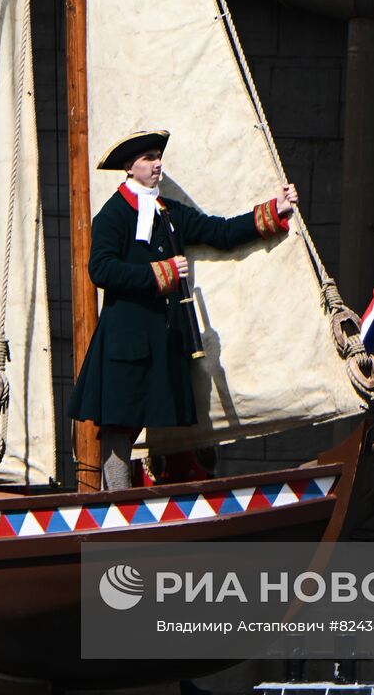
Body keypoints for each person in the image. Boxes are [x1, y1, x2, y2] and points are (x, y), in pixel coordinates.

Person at [67, 130, 298, 490]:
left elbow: (219, 231)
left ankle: (163, 498)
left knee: (166, 419)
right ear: (130, 167)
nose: (157, 163)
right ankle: (115, 502)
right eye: (148, 158)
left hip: (161, 340)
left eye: (158, 156)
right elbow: (101, 269)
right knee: (119, 424)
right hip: (125, 341)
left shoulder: (167, 212)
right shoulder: (112, 215)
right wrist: (161, 273)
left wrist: (274, 210)